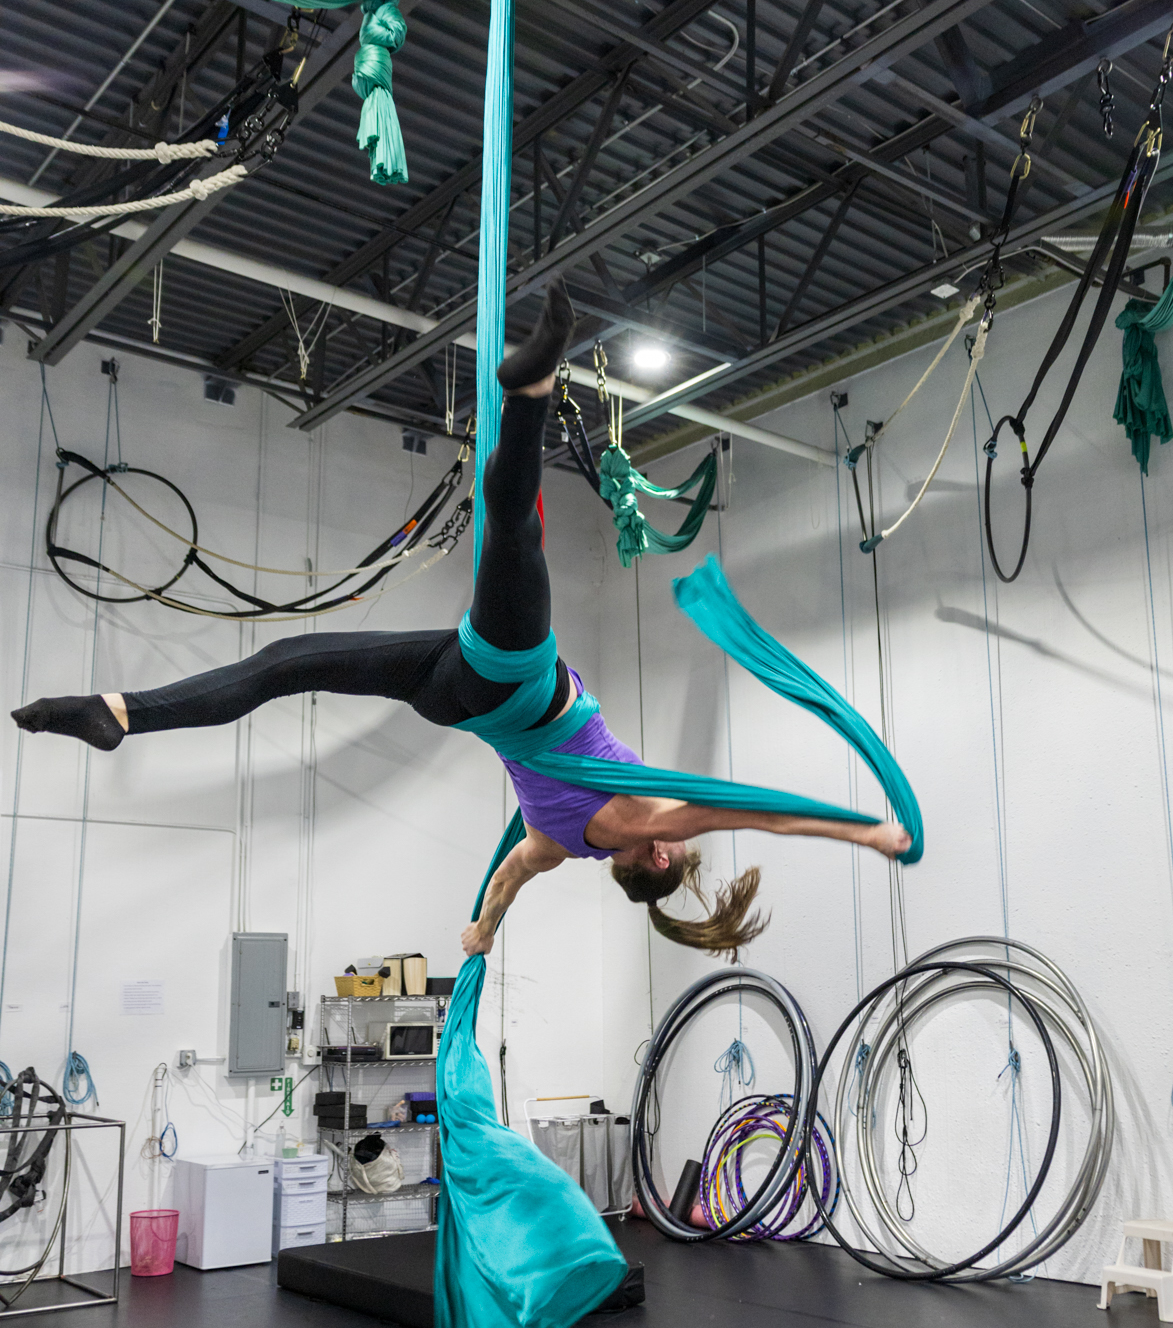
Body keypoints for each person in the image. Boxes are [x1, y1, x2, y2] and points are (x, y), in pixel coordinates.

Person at [13, 281, 910, 960]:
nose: (678, 837)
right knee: (287, 661)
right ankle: (121, 713)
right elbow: (508, 883)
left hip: (512, 677)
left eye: (672, 849)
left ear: (654, 860)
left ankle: (532, 391)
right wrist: (480, 932)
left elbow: (763, 819)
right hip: (454, 694)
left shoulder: (640, 819)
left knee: (514, 533)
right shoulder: (554, 845)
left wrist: (869, 833)